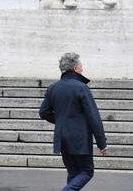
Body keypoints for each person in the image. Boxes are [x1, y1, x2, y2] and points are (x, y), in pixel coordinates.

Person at [39, 52, 108, 190]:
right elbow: (93, 117)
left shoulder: (53, 88)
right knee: (87, 171)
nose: (82, 69)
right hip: (79, 138)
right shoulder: (81, 87)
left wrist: (61, 120)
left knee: (73, 172)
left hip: (62, 137)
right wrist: (102, 143)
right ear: (75, 68)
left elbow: (44, 112)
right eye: (81, 66)